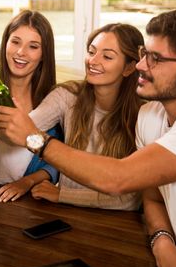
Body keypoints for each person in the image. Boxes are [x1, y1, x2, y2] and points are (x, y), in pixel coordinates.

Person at [0, 9, 176, 267]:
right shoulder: (151, 116)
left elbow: (118, 180)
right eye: (145, 54)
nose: (142, 64)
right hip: (170, 266)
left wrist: (36, 140)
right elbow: (151, 193)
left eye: (155, 59)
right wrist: (161, 240)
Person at [26, 23, 144, 210]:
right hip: (65, 213)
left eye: (107, 56)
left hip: (117, 222)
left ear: (129, 68)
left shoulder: (143, 115)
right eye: (91, 52)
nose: (93, 61)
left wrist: (63, 195)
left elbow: (132, 199)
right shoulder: (67, 95)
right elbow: (24, 130)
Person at [0, 10, 63, 202]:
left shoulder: (53, 101)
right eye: (15, 42)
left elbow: (57, 162)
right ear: (5, 43)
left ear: (44, 54)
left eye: (33, 46)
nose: (20, 52)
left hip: (28, 197)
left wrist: (26, 182)